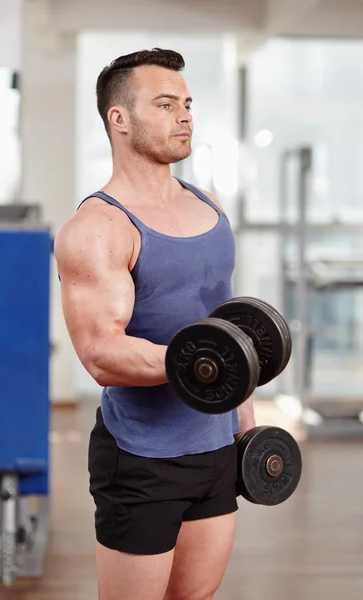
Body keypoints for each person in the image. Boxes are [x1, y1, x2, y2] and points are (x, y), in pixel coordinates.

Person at [54, 48, 256, 600]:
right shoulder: (97, 228)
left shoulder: (208, 207)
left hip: (216, 447)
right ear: (118, 118)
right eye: (165, 104)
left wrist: (246, 430)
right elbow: (101, 354)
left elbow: (229, 327)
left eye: (186, 103)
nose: (185, 115)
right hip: (143, 456)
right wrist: (202, 365)